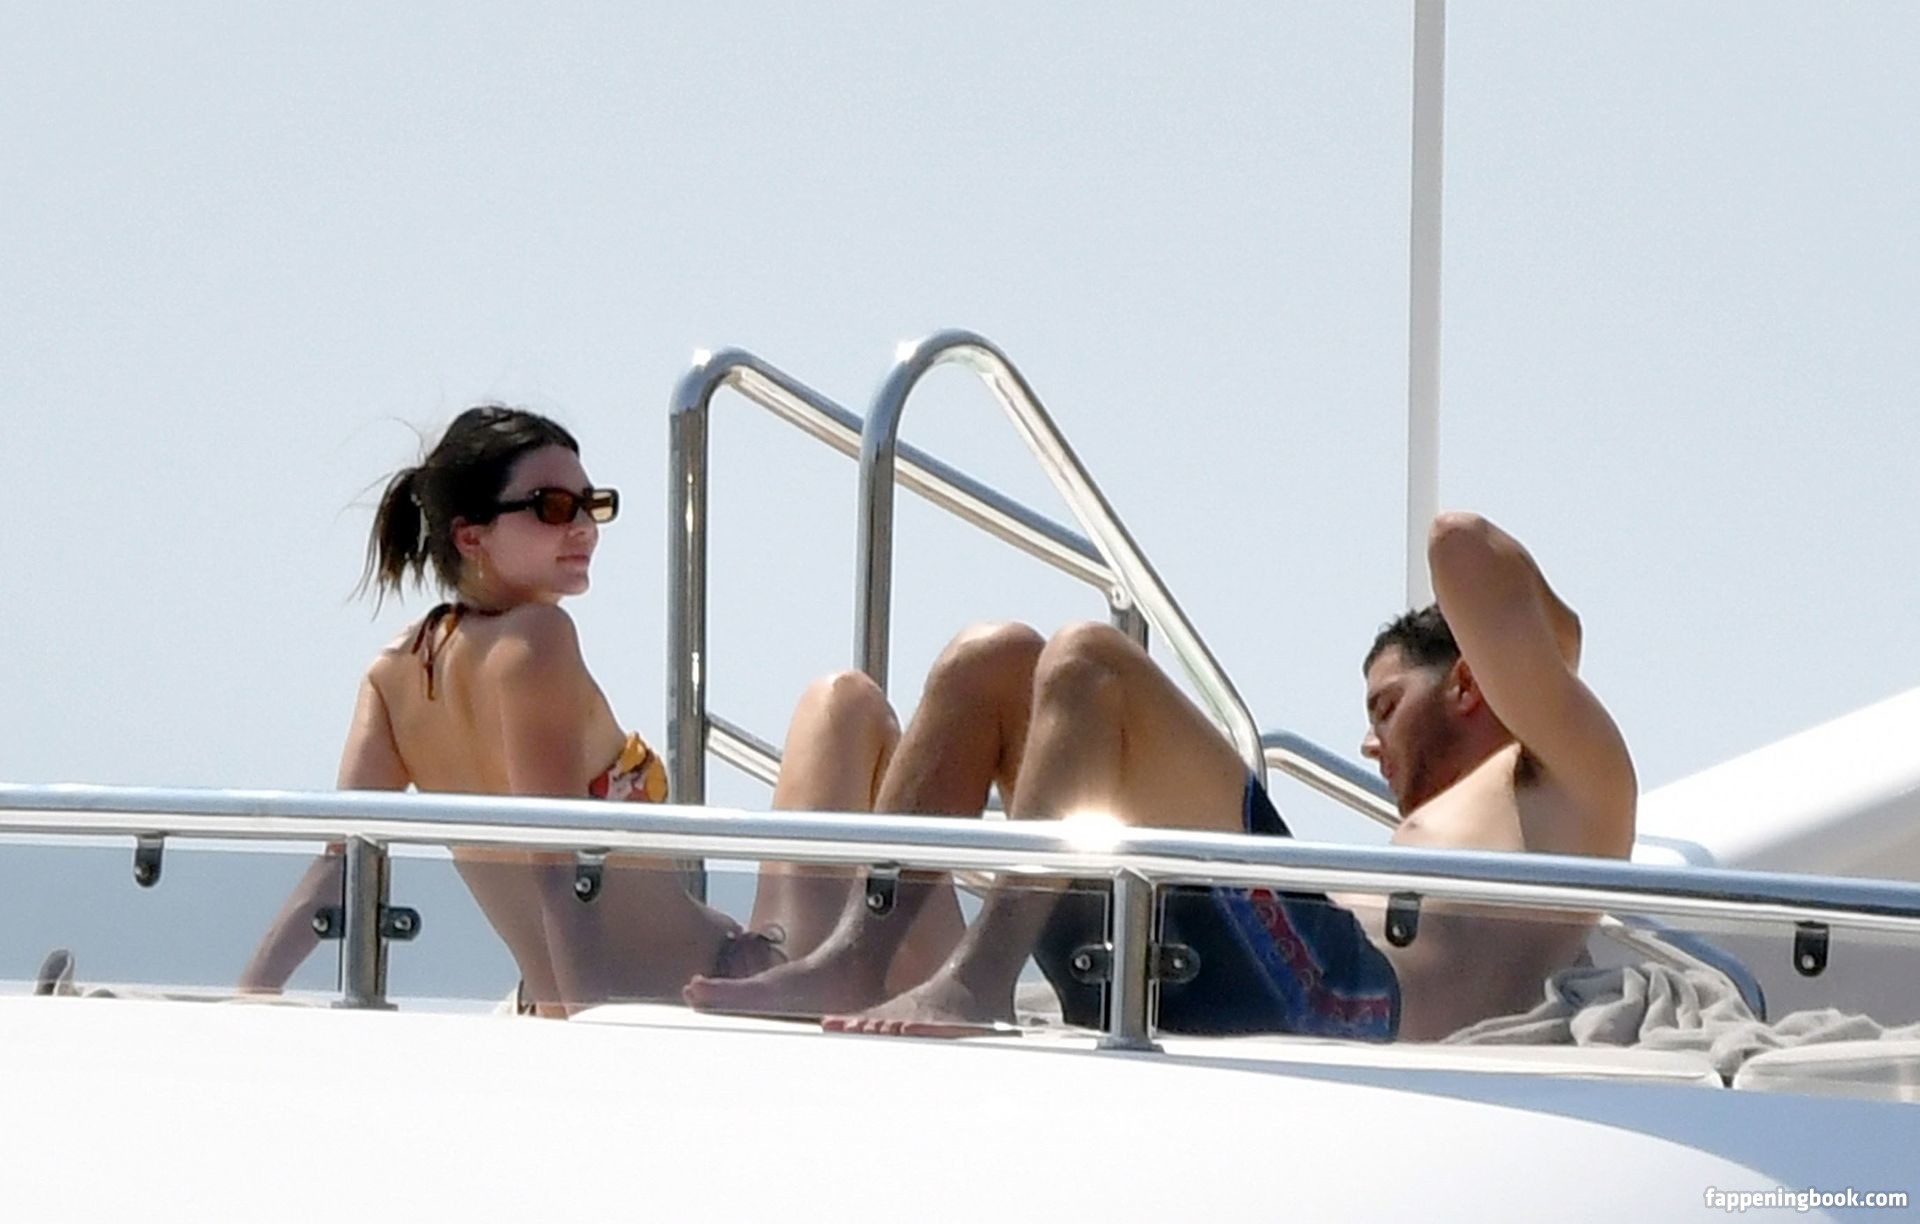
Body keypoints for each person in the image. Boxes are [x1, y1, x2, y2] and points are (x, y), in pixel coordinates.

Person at [685, 511, 1637, 1042]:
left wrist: (1557, 648)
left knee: (1090, 660)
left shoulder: (1575, 786)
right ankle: (857, 954)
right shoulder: (1443, 830)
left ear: (1467, 683)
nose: (1368, 744)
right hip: (1214, 962)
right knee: (993, 657)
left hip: (1351, 1007)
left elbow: (1460, 545)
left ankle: (977, 979)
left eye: (1386, 707)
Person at [237, 406, 960, 1015]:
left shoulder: (393, 673)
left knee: (846, 715)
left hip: (563, 996)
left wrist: (252, 993)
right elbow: (558, 864)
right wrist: (587, 1031)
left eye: (593, 505)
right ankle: (954, 995)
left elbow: (341, 865)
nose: (583, 527)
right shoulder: (536, 639)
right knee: (845, 703)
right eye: (553, 508)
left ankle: (935, 992)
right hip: (699, 991)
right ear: (470, 535)